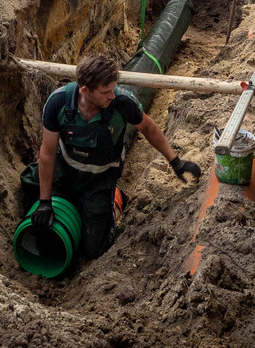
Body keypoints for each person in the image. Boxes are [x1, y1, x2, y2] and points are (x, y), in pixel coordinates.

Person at [30, 54, 201, 262]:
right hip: (64, 175)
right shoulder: (58, 103)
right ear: (85, 89)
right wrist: (44, 201)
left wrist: (176, 162)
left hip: (99, 181)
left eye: (113, 88)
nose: (112, 95)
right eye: (105, 92)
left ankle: (116, 199)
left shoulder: (122, 102)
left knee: (94, 251)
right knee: (40, 228)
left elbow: (148, 127)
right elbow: (47, 153)